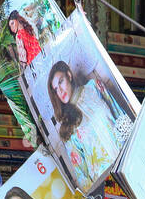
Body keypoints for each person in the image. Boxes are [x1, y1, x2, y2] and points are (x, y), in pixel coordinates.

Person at [46, 60, 132, 190]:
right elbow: (82, 175)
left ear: (69, 75)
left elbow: (119, 114)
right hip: (107, 182)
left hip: (126, 160)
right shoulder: (67, 128)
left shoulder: (94, 87)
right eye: (56, 89)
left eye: (61, 82)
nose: (60, 91)